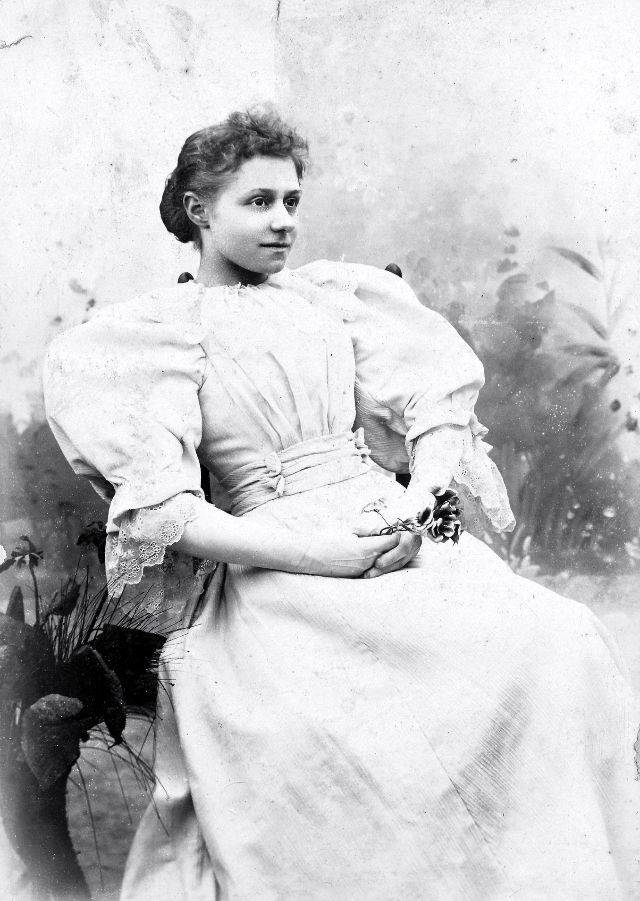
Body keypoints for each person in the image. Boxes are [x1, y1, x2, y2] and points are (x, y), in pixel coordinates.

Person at [43, 109, 640, 900]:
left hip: (386, 527)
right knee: (342, 725)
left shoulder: (334, 297)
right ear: (198, 209)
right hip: (273, 569)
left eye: (292, 200)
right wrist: (326, 556)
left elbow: (436, 405)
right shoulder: (157, 334)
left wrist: (419, 503)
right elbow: (170, 510)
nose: (283, 221)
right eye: (259, 201)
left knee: (555, 638)